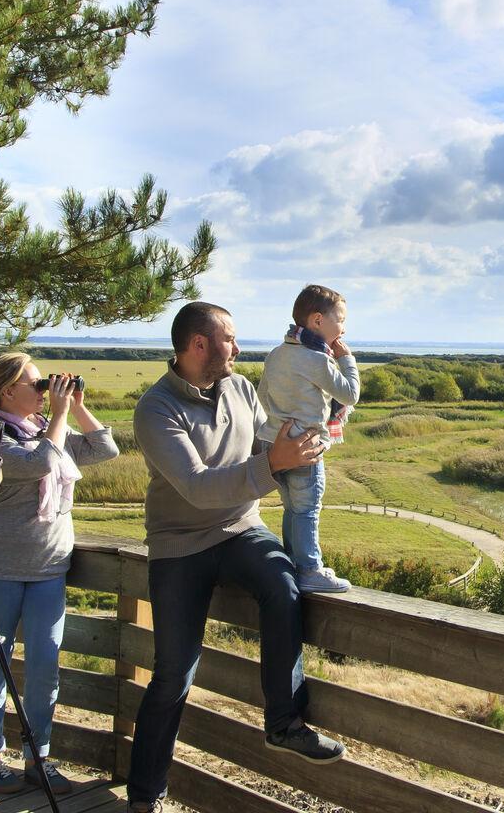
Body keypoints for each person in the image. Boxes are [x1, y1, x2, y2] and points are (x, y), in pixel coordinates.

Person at [125, 302, 346, 813]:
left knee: (284, 585)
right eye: (230, 339)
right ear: (198, 344)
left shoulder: (242, 390)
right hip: (180, 543)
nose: (238, 348)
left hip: (242, 527)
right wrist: (273, 464)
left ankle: (284, 723)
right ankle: (144, 797)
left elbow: (268, 444)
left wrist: (313, 430)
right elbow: (199, 488)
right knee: (174, 673)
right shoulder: (155, 409)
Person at [0, 353, 121, 795]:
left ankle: (38, 756)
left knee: (44, 667)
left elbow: (105, 448)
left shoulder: (43, 429)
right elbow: (41, 464)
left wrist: (77, 404)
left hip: (50, 566)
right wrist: (58, 414)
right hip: (0, 567)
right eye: (37, 385)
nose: (44, 391)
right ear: (7, 391)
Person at [257, 285, 360, 593]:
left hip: (274, 443)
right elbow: (349, 393)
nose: (343, 327)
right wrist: (347, 360)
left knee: (292, 507)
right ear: (318, 320)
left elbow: (262, 395)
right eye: (340, 319)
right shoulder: (318, 360)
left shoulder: (277, 354)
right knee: (307, 508)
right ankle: (310, 568)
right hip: (305, 446)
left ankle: (292, 560)